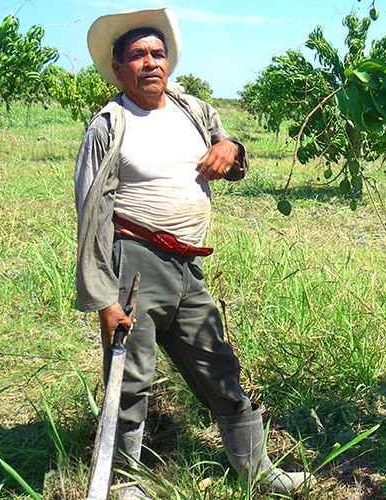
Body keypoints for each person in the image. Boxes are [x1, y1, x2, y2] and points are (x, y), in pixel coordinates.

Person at [74, 7, 311, 499]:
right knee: (130, 378)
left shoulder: (192, 110)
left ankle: (258, 470)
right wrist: (105, 299)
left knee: (219, 364)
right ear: (118, 69)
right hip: (134, 263)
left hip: (189, 265)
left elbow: (230, 155)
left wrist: (234, 148)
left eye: (158, 54)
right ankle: (126, 485)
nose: (150, 63)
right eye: (137, 56)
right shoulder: (110, 124)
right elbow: (91, 215)